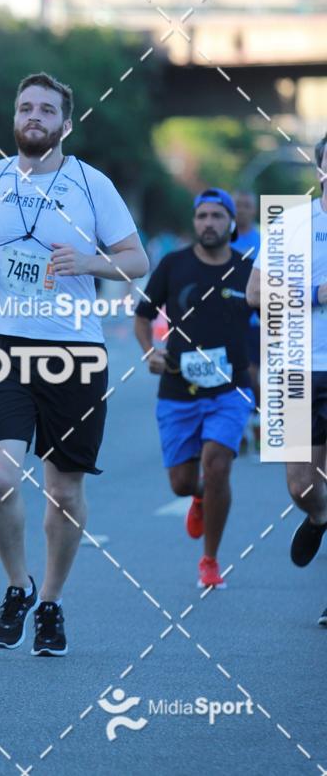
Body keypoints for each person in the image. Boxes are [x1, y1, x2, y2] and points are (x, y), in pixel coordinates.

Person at [0, 72, 148, 656]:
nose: (33, 116)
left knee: (63, 491)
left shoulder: (92, 185)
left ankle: (51, 602)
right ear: (15, 119)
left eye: (45, 109)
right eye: (25, 108)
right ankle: (18, 585)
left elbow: (136, 260)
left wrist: (89, 261)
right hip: (4, 348)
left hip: (75, 351)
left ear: (65, 124)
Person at [134, 188, 255, 589]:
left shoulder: (249, 270)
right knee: (183, 483)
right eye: (201, 216)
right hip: (177, 388)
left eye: (217, 217)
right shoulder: (173, 265)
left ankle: (210, 559)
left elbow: (277, 320)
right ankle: (200, 496)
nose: (208, 223)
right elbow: (142, 316)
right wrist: (149, 351)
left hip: (230, 390)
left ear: (232, 223)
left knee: (218, 464)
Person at [246, 133, 327, 624]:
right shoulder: (293, 223)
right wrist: (316, 293)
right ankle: (319, 515)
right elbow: (256, 293)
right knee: (300, 484)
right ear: (319, 168)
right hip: (297, 365)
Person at [232, 190, 261, 452]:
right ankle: (237, 427)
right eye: (237, 205)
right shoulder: (221, 238)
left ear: (254, 209)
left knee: (252, 374)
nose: (241, 209)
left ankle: (257, 418)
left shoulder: (264, 239)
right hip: (225, 319)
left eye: (246, 205)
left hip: (255, 319)